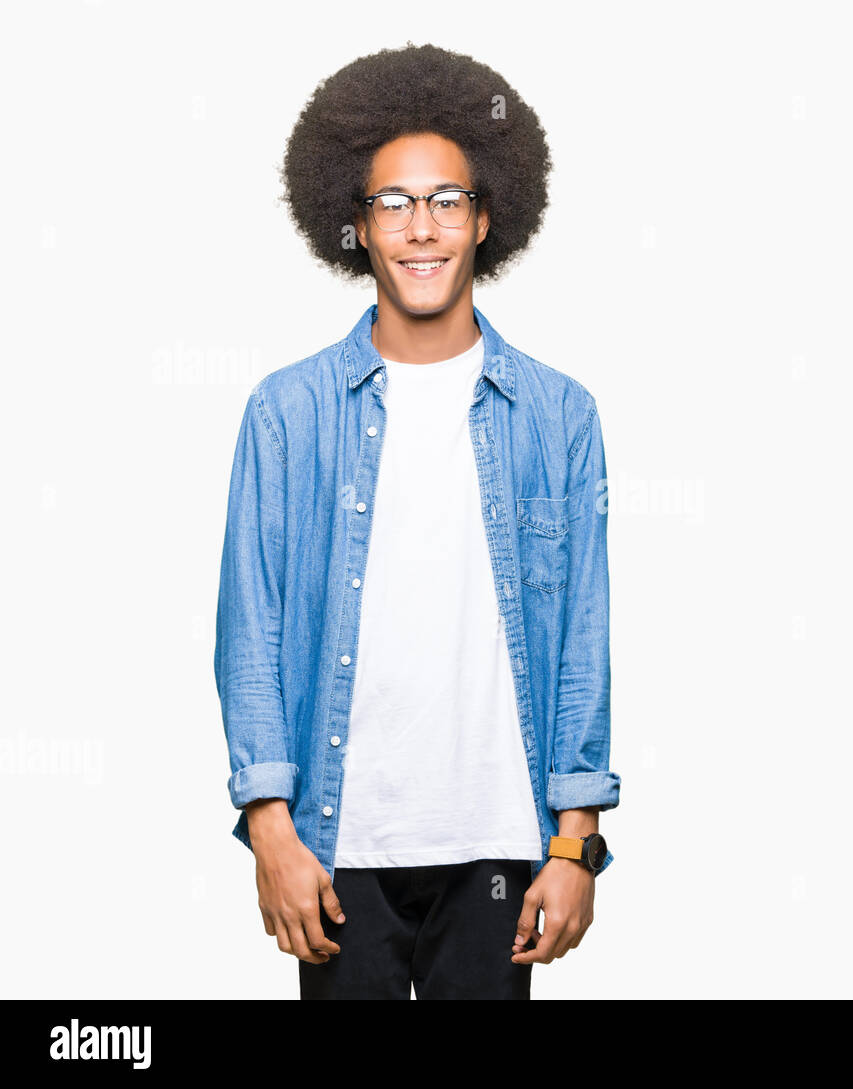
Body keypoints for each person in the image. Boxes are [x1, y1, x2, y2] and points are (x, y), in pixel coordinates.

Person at [213, 43, 619, 1000]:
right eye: (393, 203)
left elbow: (583, 646)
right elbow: (250, 633)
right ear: (356, 225)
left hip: (501, 850)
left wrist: (578, 844)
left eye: (446, 200)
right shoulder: (288, 412)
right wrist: (270, 829)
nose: (421, 227)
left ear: (485, 218)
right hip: (336, 846)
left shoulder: (560, 416)